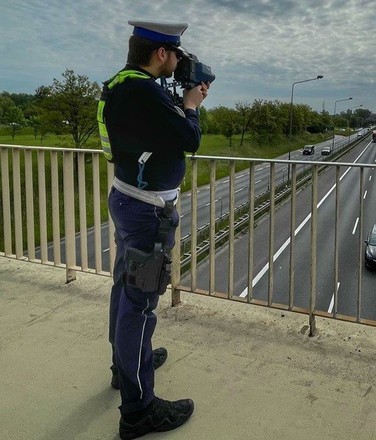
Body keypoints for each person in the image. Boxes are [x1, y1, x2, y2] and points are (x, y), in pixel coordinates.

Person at [100, 19, 209, 439]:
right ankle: (139, 409)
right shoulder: (143, 91)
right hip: (147, 213)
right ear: (161, 53)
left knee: (123, 289)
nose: (179, 60)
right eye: (176, 53)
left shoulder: (121, 84)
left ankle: (123, 366)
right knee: (140, 305)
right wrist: (193, 103)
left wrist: (182, 99)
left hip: (129, 200)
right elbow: (190, 138)